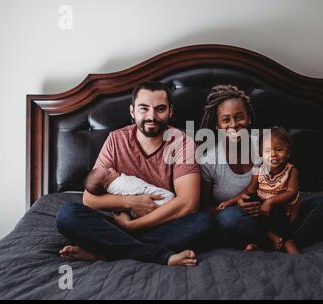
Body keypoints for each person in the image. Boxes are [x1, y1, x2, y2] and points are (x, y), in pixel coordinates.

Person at [56, 81, 213, 267]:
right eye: (144, 109)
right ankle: (156, 254)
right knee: (68, 215)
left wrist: (132, 227)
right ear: (132, 111)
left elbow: (188, 203)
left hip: (163, 223)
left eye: (160, 109)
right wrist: (131, 202)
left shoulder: (183, 144)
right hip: (120, 221)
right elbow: (90, 199)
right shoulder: (116, 139)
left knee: (203, 222)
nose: (151, 116)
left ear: (171, 111)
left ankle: (105, 252)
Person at [199, 84, 323, 252]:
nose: (234, 124)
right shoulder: (209, 160)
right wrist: (236, 206)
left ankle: (272, 242)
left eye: (239, 117)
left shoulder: (266, 144)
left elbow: (286, 180)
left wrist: (274, 202)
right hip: (243, 219)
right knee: (228, 219)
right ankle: (280, 241)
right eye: (226, 119)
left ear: (249, 118)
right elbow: (203, 207)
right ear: (217, 125)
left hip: (277, 211)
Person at [217, 126, 301, 254]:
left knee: (277, 212)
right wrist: (231, 201)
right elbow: (249, 190)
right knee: (251, 201)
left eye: (279, 149)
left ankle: (287, 242)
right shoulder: (258, 169)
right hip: (262, 209)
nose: (273, 154)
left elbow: (291, 192)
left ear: (288, 152)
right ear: (261, 154)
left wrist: (270, 202)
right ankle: (269, 236)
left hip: (281, 207)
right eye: (267, 151)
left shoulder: (291, 170)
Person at [84, 167, 174, 206]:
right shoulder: (119, 184)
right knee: (71, 212)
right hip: (165, 202)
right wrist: (130, 202)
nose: (111, 169)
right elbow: (87, 200)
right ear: (107, 185)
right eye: (109, 172)